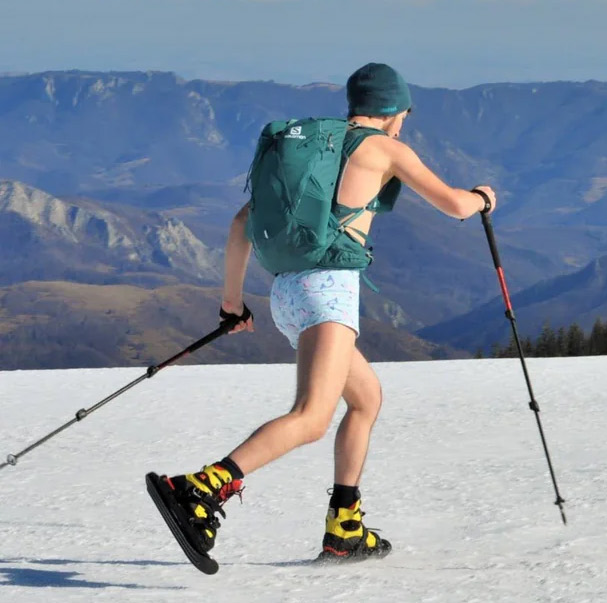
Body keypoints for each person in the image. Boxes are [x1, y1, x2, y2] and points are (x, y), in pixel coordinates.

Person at [150, 63, 496, 564]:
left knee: (366, 398)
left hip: (289, 294)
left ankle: (345, 524)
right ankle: (200, 489)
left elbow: (241, 222)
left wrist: (231, 303)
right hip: (329, 291)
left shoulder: (319, 151)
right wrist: (483, 197)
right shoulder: (385, 148)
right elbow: (456, 206)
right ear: (396, 110)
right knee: (311, 418)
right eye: (405, 113)